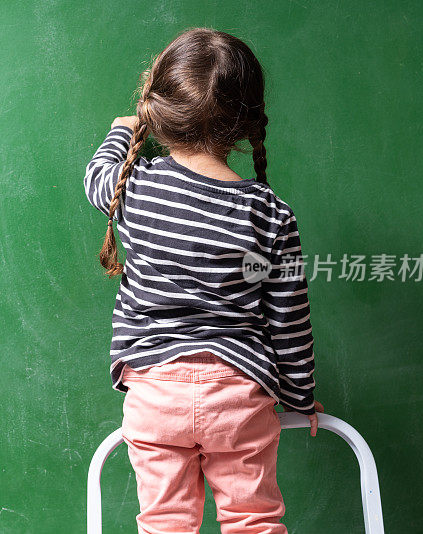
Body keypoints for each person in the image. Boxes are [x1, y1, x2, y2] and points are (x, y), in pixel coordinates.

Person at [83, 27, 325, 533]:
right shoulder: (269, 213)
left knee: (165, 523)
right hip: (239, 396)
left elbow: (96, 175)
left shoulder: (134, 188)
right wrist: (300, 395)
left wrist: (123, 130)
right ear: (244, 123)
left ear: (159, 111)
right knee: (254, 521)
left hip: (154, 396)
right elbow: (289, 320)